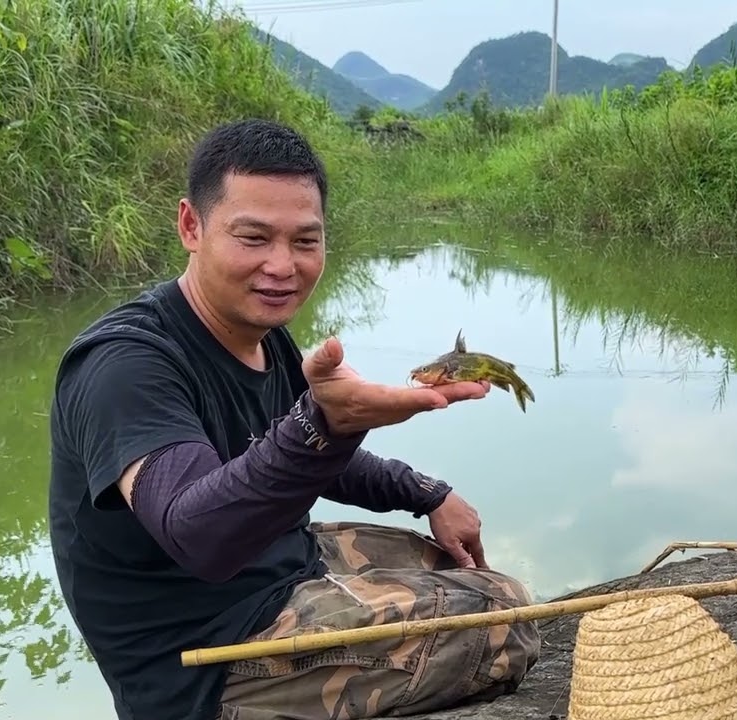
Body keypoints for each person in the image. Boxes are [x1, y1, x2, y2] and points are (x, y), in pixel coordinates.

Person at [47, 118, 541, 720]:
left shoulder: (263, 335)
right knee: (505, 616)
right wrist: (326, 424)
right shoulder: (125, 365)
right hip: (205, 653)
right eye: (253, 238)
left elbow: (296, 449)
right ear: (191, 226)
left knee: (459, 567)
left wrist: (426, 492)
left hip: (279, 567)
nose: (283, 266)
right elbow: (197, 536)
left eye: (305, 241)